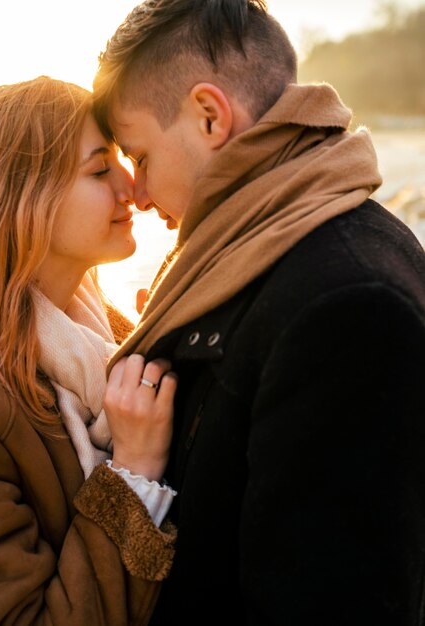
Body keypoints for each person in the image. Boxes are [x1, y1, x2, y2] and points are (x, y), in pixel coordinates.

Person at [93, 1, 425, 624]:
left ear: (210, 117)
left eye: (140, 157)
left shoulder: (346, 308)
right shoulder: (256, 253)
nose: (135, 194)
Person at [0, 75, 178, 625]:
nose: (131, 186)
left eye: (121, 158)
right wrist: (133, 475)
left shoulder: (106, 333)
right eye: (98, 168)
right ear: (20, 200)